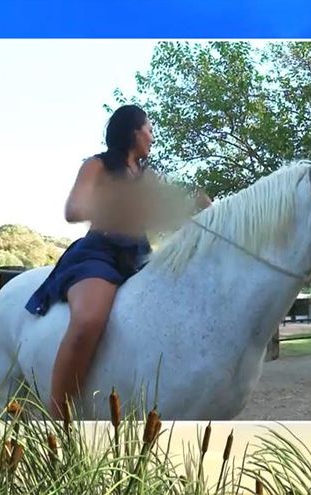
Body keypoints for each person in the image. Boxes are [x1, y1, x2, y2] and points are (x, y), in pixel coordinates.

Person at [24, 104, 210, 419]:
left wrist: (197, 207)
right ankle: (57, 417)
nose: (153, 136)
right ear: (133, 131)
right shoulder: (96, 166)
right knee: (88, 322)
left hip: (140, 255)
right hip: (100, 252)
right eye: (149, 129)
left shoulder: (149, 176)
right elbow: (74, 210)